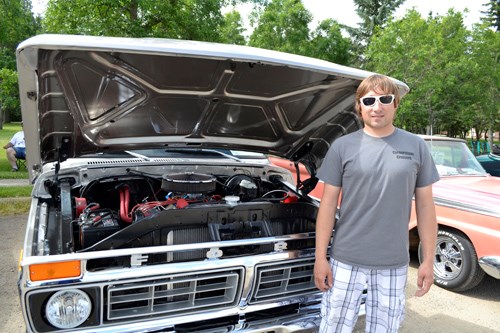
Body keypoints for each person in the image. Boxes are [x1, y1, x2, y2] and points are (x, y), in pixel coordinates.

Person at [314, 74, 439, 333]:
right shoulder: (342, 147)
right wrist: (320, 258)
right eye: (369, 100)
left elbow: (426, 207)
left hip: (393, 262)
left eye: (385, 99)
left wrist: (428, 260)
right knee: (333, 327)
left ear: (396, 104)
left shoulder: (416, 146)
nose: (377, 106)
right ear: (359, 106)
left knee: (385, 329)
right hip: (345, 259)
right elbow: (327, 206)